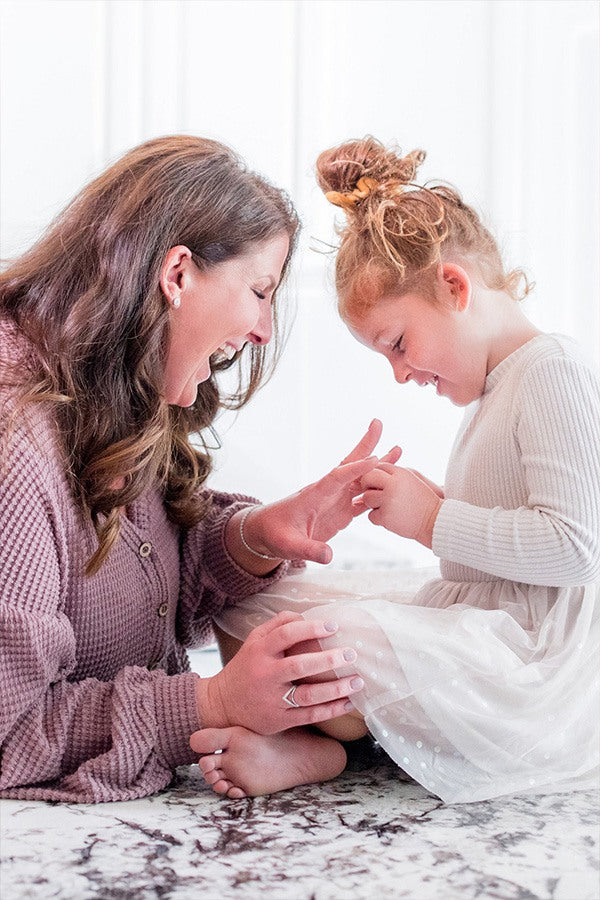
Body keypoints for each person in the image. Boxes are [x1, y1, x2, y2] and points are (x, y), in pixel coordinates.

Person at [0, 135, 400, 803]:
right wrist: (208, 701)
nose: (264, 331)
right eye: (259, 291)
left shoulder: (109, 383)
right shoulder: (17, 445)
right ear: (178, 273)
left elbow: (129, 588)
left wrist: (259, 534)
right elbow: (8, 733)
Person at [205, 136, 600, 803]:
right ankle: (325, 734)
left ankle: (322, 749)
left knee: (325, 641)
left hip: (527, 664)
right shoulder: (493, 389)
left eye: (398, 343)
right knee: (252, 607)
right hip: (475, 621)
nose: (400, 372)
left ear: (453, 287)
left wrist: (435, 521)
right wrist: (422, 501)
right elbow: (501, 535)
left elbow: (575, 547)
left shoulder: (551, 373)